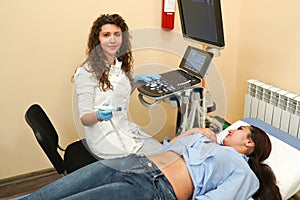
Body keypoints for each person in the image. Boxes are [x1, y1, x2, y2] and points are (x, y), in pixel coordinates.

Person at [22, 125, 281, 200]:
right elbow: (168, 149)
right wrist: (189, 134)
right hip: (131, 163)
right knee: (43, 195)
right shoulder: (208, 141)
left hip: (155, 188)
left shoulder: (244, 173)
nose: (231, 130)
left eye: (240, 130)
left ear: (250, 144)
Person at [72, 14, 162, 159]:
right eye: (106, 35)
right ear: (97, 39)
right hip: (105, 138)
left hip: (124, 128)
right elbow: (84, 118)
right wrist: (99, 116)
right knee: (156, 162)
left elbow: (120, 96)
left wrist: (137, 82)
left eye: (117, 35)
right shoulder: (86, 72)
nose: (112, 40)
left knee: (162, 151)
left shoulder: (118, 64)